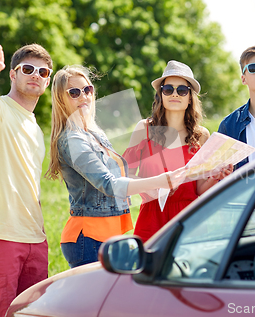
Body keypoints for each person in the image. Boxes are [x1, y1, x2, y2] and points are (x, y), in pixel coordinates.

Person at [45, 65, 187, 268]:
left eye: (88, 90)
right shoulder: (72, 139)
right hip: (89, 239)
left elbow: (119, 174)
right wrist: (158, 181)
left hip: (107, 235)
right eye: (74, 93)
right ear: (61, 99)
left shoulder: (93, 133)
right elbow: (108, 184)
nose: (83, 96)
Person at [0, 43, 53, 317]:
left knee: (33, 314)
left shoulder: (35, 128)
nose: (36, 75)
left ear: (48, 80)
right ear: (13, 75)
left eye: (43, 72)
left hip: (34, 239)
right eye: (27, 69)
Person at [123, 60, 232, 242]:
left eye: (182, 90)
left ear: (190, 97)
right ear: (161, 95)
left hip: (190, 220)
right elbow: (124, 175)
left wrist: (217, 175)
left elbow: (198, 189)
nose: (175, 94)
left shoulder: (201, 135)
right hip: (152, 218)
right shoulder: (144, 129)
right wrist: (152, 187)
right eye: (168, 89)